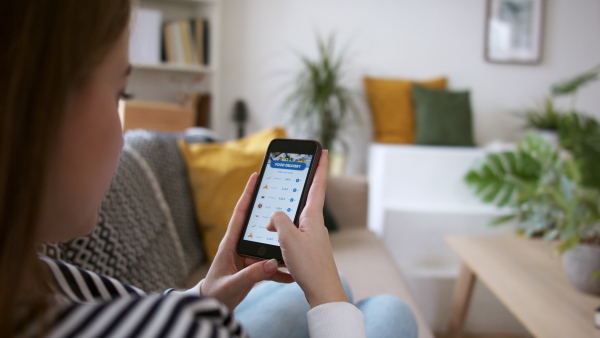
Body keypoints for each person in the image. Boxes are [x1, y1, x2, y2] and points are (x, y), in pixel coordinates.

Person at [0, 1, 418, 337]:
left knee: (340, 290)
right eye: (118, 93)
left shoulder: (33, 274)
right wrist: (326, 297)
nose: (123, 135)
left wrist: (206, 294)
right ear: (31, 111)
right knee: (386, 310)